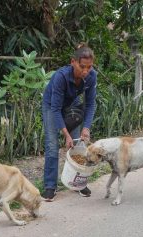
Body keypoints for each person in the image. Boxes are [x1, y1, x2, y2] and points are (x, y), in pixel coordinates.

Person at [41, 43, 97, 201]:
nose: (85, 71)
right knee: (52, 145)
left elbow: (91, 104)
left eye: (89, 67)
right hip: (52, 106)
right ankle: (50, 186)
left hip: (71, 104)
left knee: (78, 145)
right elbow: (56, 108)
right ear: (73, 62)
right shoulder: (61, 76)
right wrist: (66, 134)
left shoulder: (91, 76)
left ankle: (78, 183)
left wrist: (86, 127)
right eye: (82, 67)